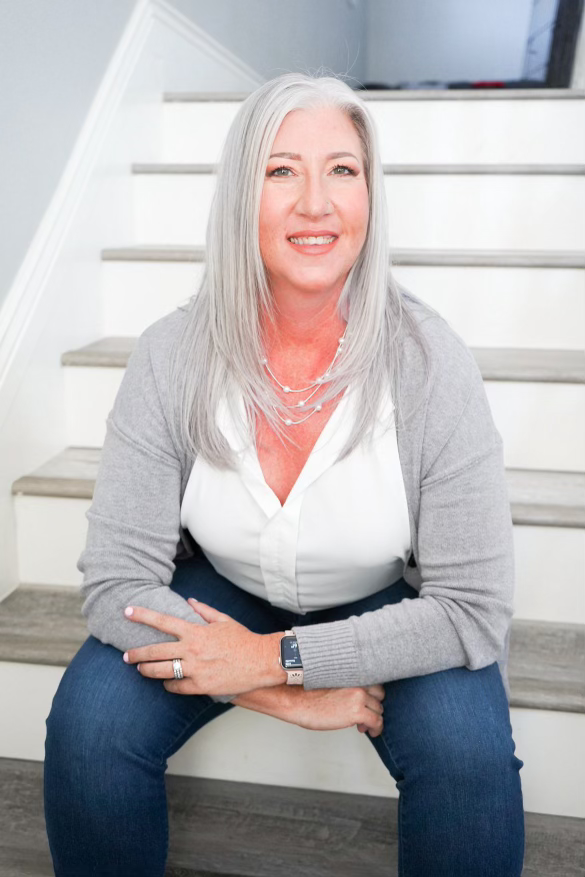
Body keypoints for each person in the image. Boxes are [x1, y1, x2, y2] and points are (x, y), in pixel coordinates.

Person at [43, 72, 525, 876]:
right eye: (280, 171)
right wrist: (274, 690)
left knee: (466, 755)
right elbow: (117, 581)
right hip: (227, 585)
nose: (315, 203)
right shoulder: (172, 354)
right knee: (90, 726)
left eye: (342, 169)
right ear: (241, 197)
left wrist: (275, 658)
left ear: (370, 195)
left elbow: (471, 611)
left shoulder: (429, 361)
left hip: (381, 599)